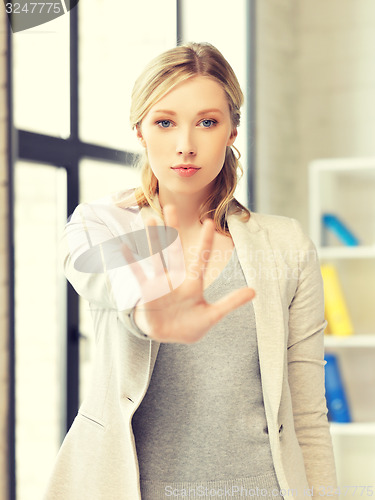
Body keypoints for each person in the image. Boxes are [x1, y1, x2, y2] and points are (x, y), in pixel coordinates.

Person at [44, 42, 338, 500]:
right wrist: (148, 312)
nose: (185, 145)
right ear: (139, 130)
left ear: (232, 131)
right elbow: (100, 278)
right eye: (165, 122)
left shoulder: (286, 245)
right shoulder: (102, 223)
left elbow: (306, 415)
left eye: (207, 122)